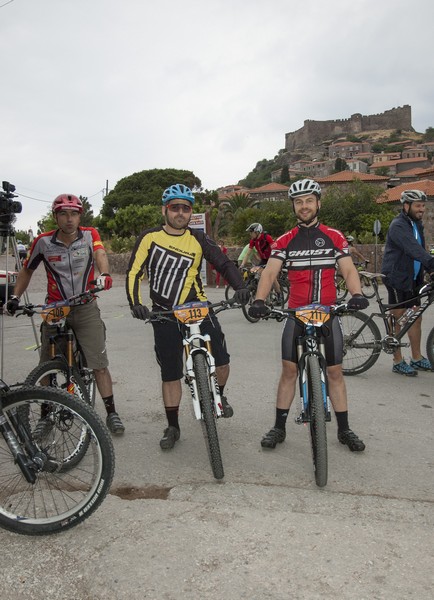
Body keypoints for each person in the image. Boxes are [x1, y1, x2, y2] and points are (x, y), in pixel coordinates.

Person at [125, 183, 250, 450]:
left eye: (186, 208)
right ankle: (173, 426)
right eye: (175, 208)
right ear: (165, 210)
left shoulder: (198, 238)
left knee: (222, 361)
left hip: (197, 307)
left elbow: (223, 263)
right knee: (170, 373)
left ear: (190, 211)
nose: (180, 212)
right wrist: (135, 303)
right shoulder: (149, 237)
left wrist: (240, 287)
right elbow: (134, 272)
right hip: (164, 313)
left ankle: (218, 396)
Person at [248, 178, 368, 452]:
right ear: (294, 206)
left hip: (327, 312)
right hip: (296, 313)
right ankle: (278, 428)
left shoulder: (334, 236)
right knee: (289, 371)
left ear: (318, 204)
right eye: (299, 202)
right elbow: (270, 272)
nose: (304, 206)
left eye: (309, 201)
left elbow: (348, 269)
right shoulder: (284, 240)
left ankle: (344, 429)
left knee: (335, 372)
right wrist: (259, 300)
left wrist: (357, 294)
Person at [5, 194, 125, 435]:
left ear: (80, 216)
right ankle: (46, 415)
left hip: (85, 304)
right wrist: (15, 297)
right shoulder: (42, 242)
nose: (69, 219)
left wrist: (104, 274)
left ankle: (112, 412)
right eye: (63, 214)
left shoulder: (90, 235)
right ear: (55, 217)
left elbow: (100, 254)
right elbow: (27, 271)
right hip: (55, 307)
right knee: (46, 366)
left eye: (74, 214)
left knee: (99, 364)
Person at [381, 189, 434, 376]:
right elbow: (411, 248)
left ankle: (417, 358)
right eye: (418, 206)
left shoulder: (416, 224)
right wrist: (432, 264)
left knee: (415, 317)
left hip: (412, 279)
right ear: (406, 206)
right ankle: (397, 361)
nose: (422, 209)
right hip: (396, 278)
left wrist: (429, 269)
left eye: (423, 206)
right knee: (398, 318)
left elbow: (421, 249)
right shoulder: (398, 225)